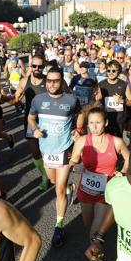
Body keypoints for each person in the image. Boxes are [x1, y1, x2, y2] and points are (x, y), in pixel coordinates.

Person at [69, 107, 129, 261]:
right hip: (86, 190)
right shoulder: (81, 141)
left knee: (94, 232)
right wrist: (70, 167)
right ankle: (98, 239)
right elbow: (74, 161)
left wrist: (123, 172)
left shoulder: (116, 142)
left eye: (98, 123)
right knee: (89, 225)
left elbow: (129, 158)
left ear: (106, 123)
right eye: (91, 123)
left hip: (106, 191)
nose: (94, 127)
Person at [28, 67, 84, 247]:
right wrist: (35, 129)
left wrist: (78, 129)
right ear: (46, 81)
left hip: (64, 150)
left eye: (56, 81)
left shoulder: (71, 100)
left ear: (62, 82)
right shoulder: (38, 100)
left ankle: (58, 227)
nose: (52, 84)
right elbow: (30, 117)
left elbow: (81, 114)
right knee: (54, 182)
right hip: (47, 149)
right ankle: (70, 186)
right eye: (49, 81)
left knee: (58, 190)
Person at [12, 55, 50, 190]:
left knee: (48, 151)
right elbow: (15, 98)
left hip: (48, 121)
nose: (37, 69)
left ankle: (54, 177)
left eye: (40, 66)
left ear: (44, 67)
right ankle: (45, 176)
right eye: (34, 66)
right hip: (30, 120)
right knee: (35, 152)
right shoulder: (24, 81)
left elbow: (65, 94)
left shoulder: (49, 81)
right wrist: (4, 99)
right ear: (30, 66)